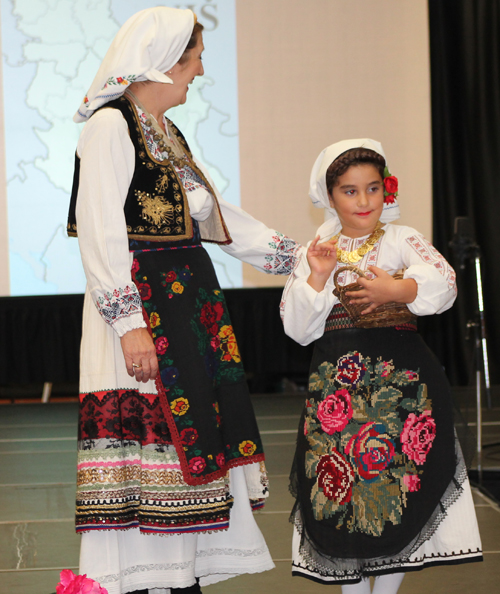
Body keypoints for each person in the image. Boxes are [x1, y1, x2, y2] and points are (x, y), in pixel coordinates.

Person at [68, 7, 299, 594]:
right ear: (163, 63)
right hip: (143, 309)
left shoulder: (165, 133)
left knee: (187, 441)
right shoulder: (109, 127)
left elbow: (219, 217)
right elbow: (101, 231)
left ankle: (177, 576)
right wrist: (129, 325)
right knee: (153, 441)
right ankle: (147, 577)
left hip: (186, 310)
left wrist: (296, 257)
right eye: (194, 59)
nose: (198, 72)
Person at [281, 139, 482, 593]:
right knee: (346, 493)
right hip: (338, 395)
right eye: (350, 191)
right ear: (329, 196)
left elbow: (445, 282)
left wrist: (397, 291)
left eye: (372, 188)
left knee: (395, 488)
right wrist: (315, 275)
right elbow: (297, 328)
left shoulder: (401, 238)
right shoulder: (316, 250)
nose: (364, 200)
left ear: (385, 190)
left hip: (402, 389)